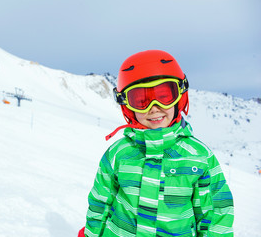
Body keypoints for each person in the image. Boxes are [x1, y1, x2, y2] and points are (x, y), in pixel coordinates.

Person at [78, 50, 234, 237]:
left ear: (180, 95)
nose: (153, 107)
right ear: (127, 105)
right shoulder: (119, 153)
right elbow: (100, 203)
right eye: (141, 100)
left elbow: (216, 213)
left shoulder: (199, 156)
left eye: (164, 95)